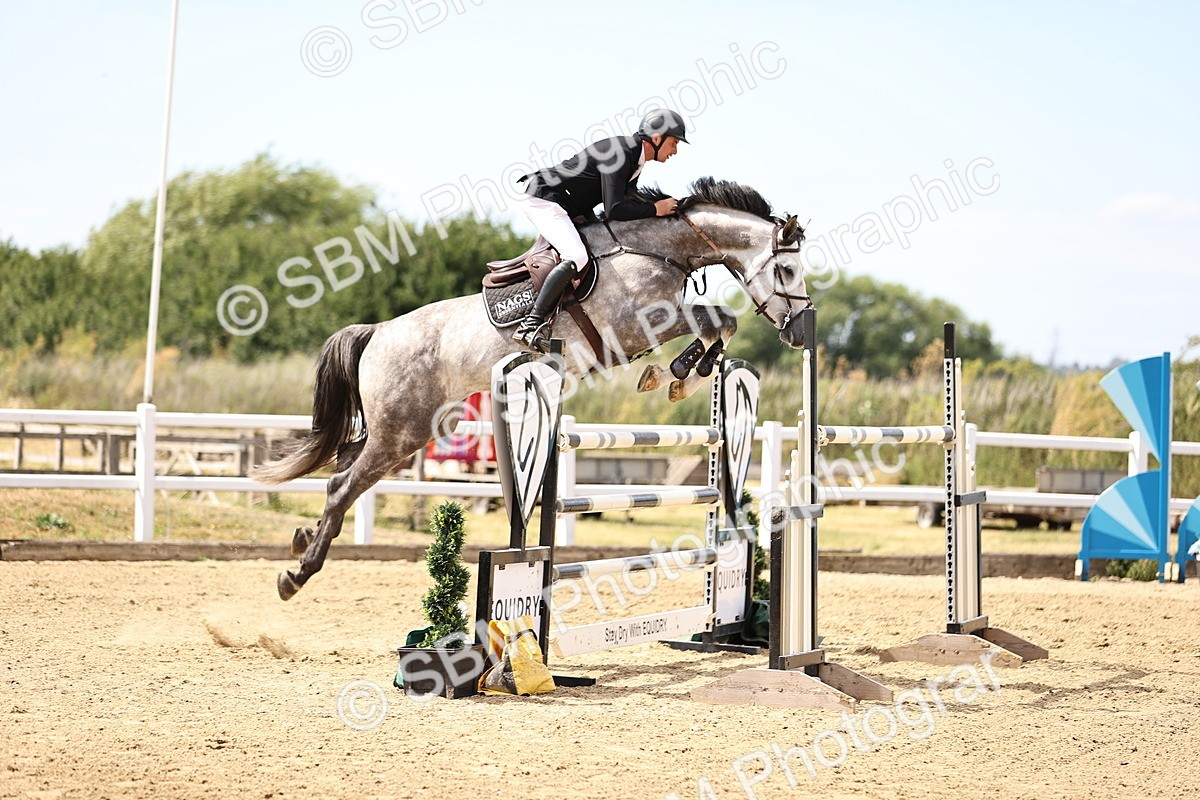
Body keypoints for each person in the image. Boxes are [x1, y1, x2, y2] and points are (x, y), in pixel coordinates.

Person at [511, 108, 688, 350]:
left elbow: (628, 201)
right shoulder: (623, 153)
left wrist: (666, 209)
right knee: (577, 256)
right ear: (657, 138)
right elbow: (615, 208)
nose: (675, 151)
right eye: (674, 142)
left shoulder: (635, 158)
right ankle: (531, 324)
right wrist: (655, 210)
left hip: (570, 204)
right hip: (545, 198)